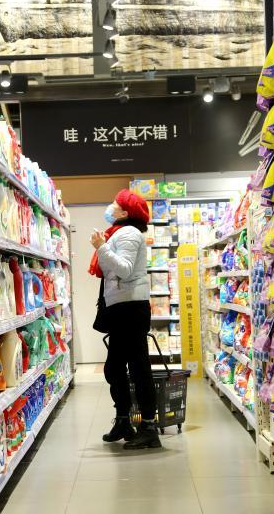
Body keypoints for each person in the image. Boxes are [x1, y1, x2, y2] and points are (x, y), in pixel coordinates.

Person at [89, 189, 160, 450]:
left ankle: (149, 426)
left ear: (125, 213)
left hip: (131, 307)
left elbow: (125, 269)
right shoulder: (120, 233)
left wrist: (101, 248)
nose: (111, 206)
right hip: (122, 306)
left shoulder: (128, 233)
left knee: (138, 367)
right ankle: (123, 419)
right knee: (115, 366)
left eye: (115, 204)